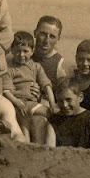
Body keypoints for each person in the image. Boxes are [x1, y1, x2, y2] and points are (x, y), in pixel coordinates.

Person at [3, 31, 56, 142]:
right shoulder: (9, 70)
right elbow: (6, 91)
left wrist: (52, 104)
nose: (21, 55)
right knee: (24, 128)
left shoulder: (36, 67)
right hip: (18, 105)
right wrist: (17, 103)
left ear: (32, 51)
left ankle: (46, 146)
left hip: (32, 104)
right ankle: (27, 149)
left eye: (25, 51)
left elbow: (47, 86)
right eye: (17, 51)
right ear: (12, 50)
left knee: (52, 115)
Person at [27, 15, 66, 143]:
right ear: (35, 33)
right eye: (43, 34)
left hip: (45, 109)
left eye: (52, 36)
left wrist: (42, 95)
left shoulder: (60, 64)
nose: (46, 41)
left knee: (37, 121)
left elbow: (63, 97)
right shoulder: (22, 55)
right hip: (21, 103)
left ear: (58, 39)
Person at [46, 78, 90, 149]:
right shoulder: (53, 120)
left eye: (68, 100)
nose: (64, 105)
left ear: (80, 97)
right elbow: (50, 150)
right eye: (60, 101)